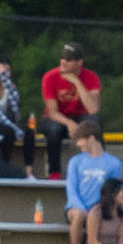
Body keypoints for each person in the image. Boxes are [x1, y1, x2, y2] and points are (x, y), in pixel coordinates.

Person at [39, 42, 101, 179]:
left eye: (69, 59)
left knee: (94, 123)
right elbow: (52, 112)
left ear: (79, 62)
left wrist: (77, 82)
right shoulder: (50, 77)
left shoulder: (91, 77)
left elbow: (92, 109)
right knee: (53, 129)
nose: (64, 62)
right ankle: (54, 173)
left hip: (80, 116)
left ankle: (97, 165)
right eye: (62, 58)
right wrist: (69, 123)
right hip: (58, 118)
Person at [64, 119, 122, 244]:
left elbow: (113, 190)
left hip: (100, 208)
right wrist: (83, 209)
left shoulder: (114, 163)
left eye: (80, 140)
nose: (78, 144)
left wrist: (99, 207)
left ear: (91, 138)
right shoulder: (75, 161)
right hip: (76, 207)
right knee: (78, 215)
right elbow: (71, 189)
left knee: (98, 214)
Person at [0, 60, 36, 176]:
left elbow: (15, 106)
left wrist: (16, 127)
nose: (6, 74)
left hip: (7, 123)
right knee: (9, 131)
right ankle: (4, 165)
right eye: (3, 71)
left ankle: (29, 170)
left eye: (8, 71)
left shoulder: (10, 87)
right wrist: (14, 127)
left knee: (29, 132)